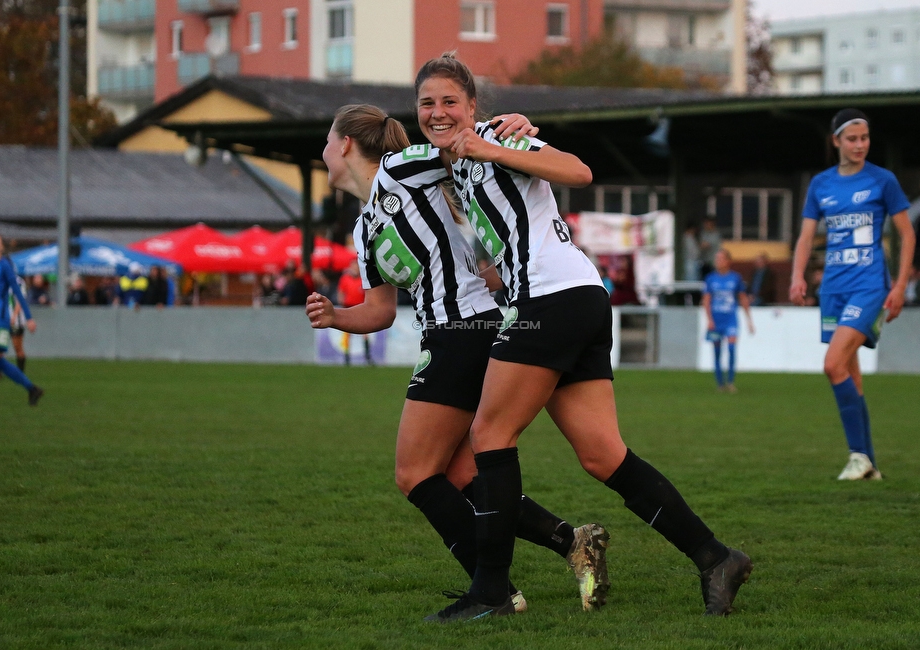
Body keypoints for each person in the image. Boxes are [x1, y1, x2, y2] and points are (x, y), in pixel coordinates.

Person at [413, 53, 752, 622]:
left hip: (552, 300)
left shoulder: (499, 136)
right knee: (602, 454)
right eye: (428, 103)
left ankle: (490, 592)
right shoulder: (456, 170)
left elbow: (578, 172)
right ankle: (716, 558)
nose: (439, 112)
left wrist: (495, 143)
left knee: (490, 433)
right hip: (580, 297)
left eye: (451, 101)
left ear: (473, 107)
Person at [305, 104, 611, 615]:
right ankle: (571, 542)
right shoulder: (364, 229)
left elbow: (464, 149)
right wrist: (338, 315)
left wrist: (510, 128)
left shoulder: (405, 168)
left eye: (325, 141)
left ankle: (494, 589)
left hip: (468, 325)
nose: (323, 152)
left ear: (343, 146)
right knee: (463, 475)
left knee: (414, 473)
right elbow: (380, 313)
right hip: (446, 333)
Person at [790, 108, 915, 481]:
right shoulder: (821, 184)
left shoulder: (883, 180)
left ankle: (858, 457)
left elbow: (907, 234)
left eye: (865, 138)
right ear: (836, 142)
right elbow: (806, 236)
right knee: (849, 374)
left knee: (832, 365)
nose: (860, 145)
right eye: (852, 139)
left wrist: (900, 285)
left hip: (870, 285)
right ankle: (868, 463)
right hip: (833, 288)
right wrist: (798, 276)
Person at [0, 233, 44, 405]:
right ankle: (32, 389)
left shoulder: (4, 266)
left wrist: (28, 317)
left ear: (2, 248)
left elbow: (17, 291)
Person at [703, 249, 755, 393]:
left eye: (720, 258)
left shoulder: (735, 278)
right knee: (717, 351)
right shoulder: (710, 278)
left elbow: (742, 298)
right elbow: (706, 301)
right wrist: (709, 320)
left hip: (731, 319)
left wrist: (749, 320)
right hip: (716, 320)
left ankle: (730, 382)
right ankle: (720, 384)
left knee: (732, 349)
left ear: (728, 261)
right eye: (716, 259)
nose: (717, 261)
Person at [334, 258, 372, 365]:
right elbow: (341, 292)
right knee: (347, 334)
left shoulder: (363, 279)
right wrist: (341, 302)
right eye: (353, 266)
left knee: (365, 333)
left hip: (361, 309)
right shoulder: (345, 279)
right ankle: (346, 357)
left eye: (356, 266)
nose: (355, 268)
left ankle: (367, 357)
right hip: (349, 309)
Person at [8, 272, 29, 371]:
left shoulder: (19, 282)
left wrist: (14, 316)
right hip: (1, 319)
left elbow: (21, 299)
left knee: (17, 347)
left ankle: (21, 371)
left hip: (16, 320)